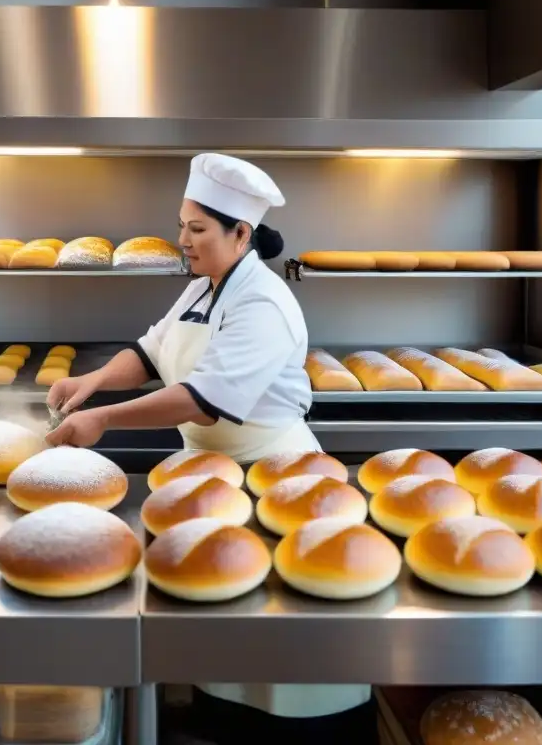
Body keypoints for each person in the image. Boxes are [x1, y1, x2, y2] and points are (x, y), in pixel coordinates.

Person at [46, 153, 374, 742]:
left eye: (196, 229)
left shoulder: (263, 303)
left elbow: (205, 398)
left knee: (285, 624)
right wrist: (91, 381)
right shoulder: (203, 288)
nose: (182, 241)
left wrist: (102, 420)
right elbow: (149, 354)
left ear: (240, 233)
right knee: (226, 618)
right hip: (214, 473)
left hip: (276, 470)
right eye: (182, 226)